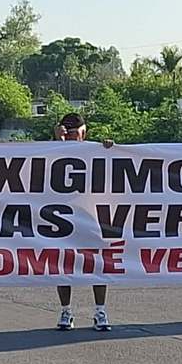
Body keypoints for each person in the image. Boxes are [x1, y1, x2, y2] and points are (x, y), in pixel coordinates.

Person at [52, 113, 115, 332]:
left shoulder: (95, 151)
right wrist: (57, 142)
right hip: (62, 216)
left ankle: (100, 311)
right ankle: (66, 311)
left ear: (83, 132)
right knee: (63, 265)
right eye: (66, 133)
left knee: (97, 264)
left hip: (91, 214)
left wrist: (110, 149)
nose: (70, 136)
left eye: (74, 133)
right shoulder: (52, 150)